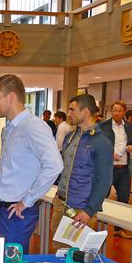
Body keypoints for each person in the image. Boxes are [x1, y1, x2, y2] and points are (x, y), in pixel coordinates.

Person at [0, 75, 62, 252]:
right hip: (3, 209)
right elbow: (15, 163)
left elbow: (54, 164)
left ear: (11, 97)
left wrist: (27, 200)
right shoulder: (9, 128)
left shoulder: (33, 126)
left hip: (18, 211)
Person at [52, 94, 113, 239]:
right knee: (58, 254)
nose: (69, 114)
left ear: (85, 111)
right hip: (61, 203)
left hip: (81, 208)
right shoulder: (70, 137)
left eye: (72, 109)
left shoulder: (101, 142)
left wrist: (90, 210)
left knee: (76, 256)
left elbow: (104, 180)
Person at [99, 101, 132, 204]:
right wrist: (109, 153)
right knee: (102, 196)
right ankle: (101, 219)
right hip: (108, 168)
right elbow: (97, 145)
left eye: (119, 111)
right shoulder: (103, 126)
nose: (116, 113)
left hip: (124, 168)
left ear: (124, 112)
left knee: (124, 198)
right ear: (111, 111)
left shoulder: (129, 126)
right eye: (114, 111)